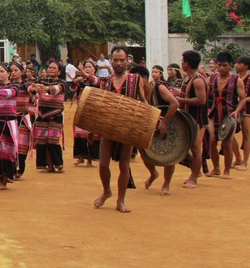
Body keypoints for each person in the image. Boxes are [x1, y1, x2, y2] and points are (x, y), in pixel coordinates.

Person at [85, 46, 148, 213]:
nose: (118, 63)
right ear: (110, 61)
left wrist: (152, 119)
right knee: (103, 163)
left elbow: (143, 102)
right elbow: (99, 107)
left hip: (127, 128)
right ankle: (106, 191)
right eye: (115, 60)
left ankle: (121, 200)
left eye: (122, 60)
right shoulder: (105, 82)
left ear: (127, 61)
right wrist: (91, 130)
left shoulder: (135, 80)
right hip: (107, 128)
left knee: (124, 164)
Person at [140, 64, 180, 195]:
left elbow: (175, 104)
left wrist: (164, 123)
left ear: (144, 78)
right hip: (150, 123)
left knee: (169, 154)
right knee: (143, 151)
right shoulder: (136, 90)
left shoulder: (159, 87)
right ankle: (153, 173)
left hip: (168, 122)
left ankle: (166, 185)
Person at [206, 51, 244, 179]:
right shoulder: (211, 79)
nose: (222, 68)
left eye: (225, 65)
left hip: (229, 114)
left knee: (227, 143)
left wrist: (237, 111)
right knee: (212, 141)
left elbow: (243, 98)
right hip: (213, 113)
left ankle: (227, 170)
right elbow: (206, 96)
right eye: (220, 65)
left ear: (230, 66)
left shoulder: (237, 80)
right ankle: (216, 168)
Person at [176, 50, 208, 189]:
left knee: (195, 149)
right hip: (187, 118)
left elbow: (202, 100)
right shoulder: (188, 78)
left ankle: (194, 177)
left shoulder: (198, 80)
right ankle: (196, 171)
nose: (181, 63)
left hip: (197, 119)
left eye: (182, 61)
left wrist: (181, 99)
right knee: (183, 147)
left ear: (187, 63)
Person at [30, 60, 66, 174]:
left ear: (59, 72)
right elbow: (32, 89)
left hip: (56, 114)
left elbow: (58, 89)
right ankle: (49, 166)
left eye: (54, 68)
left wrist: (45, 89)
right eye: (50, 67)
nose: (51, 69)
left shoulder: (62, 82)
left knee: (53, 140)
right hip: (41, 113)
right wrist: (33, 88)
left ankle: (59, 164)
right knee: (42, 141)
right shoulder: (40, 80)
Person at [233, 55, 250, 170]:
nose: (236, 65)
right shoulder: (234, 78)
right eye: (236, 63)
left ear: (246, 66)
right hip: (235, 107)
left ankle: (244, 162)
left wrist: (243, 99)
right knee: (229, 134)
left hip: (248, 108)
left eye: (239, 63)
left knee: (246, 134)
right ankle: (238, 158)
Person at [71, 60, 100, 167]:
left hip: (93, 111)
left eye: (89, 67)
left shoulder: (98, 80)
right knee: (79, 135)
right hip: (81, 110)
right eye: (86, 67)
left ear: (95, 69)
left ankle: (90, 159)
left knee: (91, 135)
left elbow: (95, 82)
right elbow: (73, 89)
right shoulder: (81, 80)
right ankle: (81, 157)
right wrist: (74, 82)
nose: (87, 69)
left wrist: (83, 74)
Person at [13, 61, 35, 179]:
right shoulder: (8, 85)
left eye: (16, 70)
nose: (13, 73)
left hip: (22, 117)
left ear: (22, 72)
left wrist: (33, 89)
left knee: (21, 144)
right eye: (11, 70)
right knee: (10, 144)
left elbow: (31, 89)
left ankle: (19, 168)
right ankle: (10, 169)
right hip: (9, 118)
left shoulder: (26, 84)